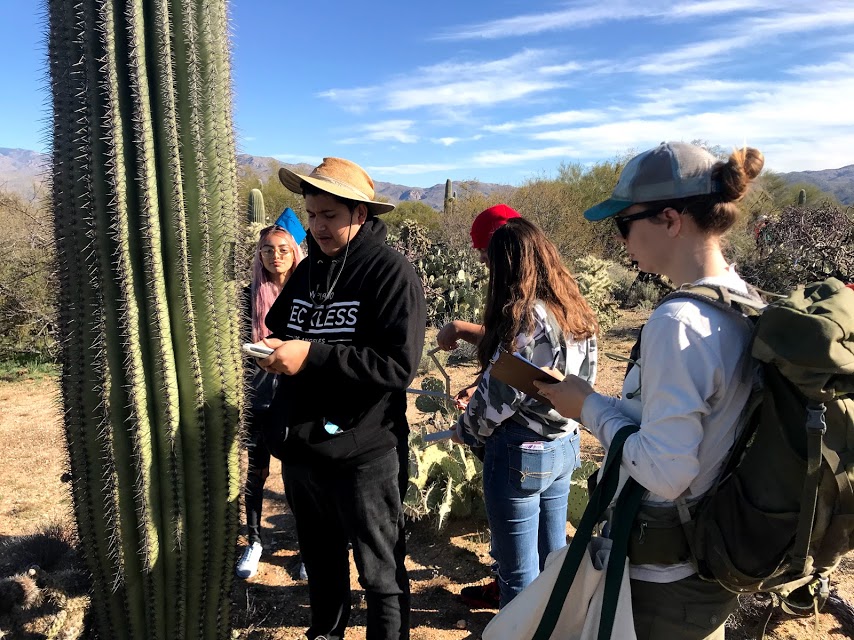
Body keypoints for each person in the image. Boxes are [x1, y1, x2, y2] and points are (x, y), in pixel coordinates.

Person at [535, 141, 765, 639]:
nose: (621, 241)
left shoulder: (679, 322)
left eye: (624, 223)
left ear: (669, 219)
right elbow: (694, 429)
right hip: (712, 560)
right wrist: (603, 404)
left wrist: (590, 408)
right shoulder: (741, 301)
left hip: (665, 579)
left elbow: (664, 470)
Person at [255, 157, 426, 640]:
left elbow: (396, 366)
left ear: (361, 214)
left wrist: (311, 356)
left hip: (364, 452)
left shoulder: (391, 274)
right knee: (322, 565)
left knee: (380, 575)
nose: (318, 226)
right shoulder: (310, 271)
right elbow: (283, 331)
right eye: (312, 215)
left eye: (329, 215)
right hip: (304, 450)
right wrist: (271, 351)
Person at [453, 217, 599, 609]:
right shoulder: (573, 307)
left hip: (520, 452)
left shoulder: (529, 317)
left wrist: (464, 429)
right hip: (564, 444)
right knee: (554, 560)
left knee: (518, 575)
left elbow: (499, 398)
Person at [435, 203, 521, 609]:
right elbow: (514, 359)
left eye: (485, 251)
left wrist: (468, 425)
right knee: (541, 545)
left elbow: (519, 358)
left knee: (518, 551)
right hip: (552, 439)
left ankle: (516, 611)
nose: (482, 261)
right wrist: (479, 384)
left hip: (518, 440)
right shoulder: (548, 292)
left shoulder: (524, 300)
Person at [235, 224, 304, 580]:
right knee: (256, 474)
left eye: (282, 249)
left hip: (299, 398)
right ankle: (255, 542)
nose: (274, 256)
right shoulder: (247, 297)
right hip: (258, 397)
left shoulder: (309, 295)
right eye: (267, 250)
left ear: (294, 252)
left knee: (302, 476)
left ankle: (309, 546)